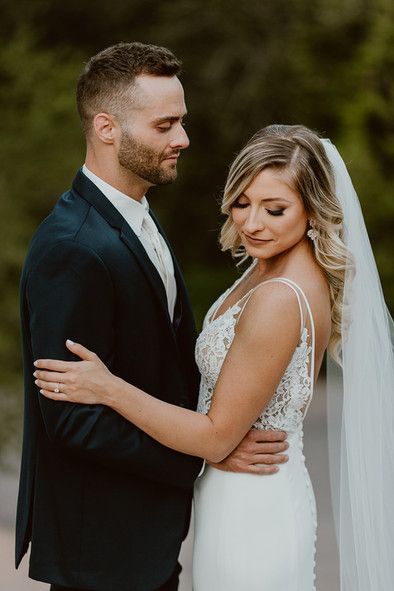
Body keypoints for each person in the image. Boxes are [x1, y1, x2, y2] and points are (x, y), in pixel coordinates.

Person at [35, 124, 394, 590]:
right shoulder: (270, 267)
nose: (252, 223)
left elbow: (215, 438)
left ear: (313, 210)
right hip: (234, 498)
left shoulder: (280, 297)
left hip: (252, 511)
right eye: (242, 203)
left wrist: (107, 386)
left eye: (275, 209)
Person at [16, 43, 288, 591]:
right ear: (106, 128)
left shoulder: (134, 216)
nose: (182, 139)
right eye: (165, 125)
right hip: (103, 553)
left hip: (146, 543)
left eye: (182, 122)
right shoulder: (73, 246)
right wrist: (205, 454)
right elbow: (72, 419)